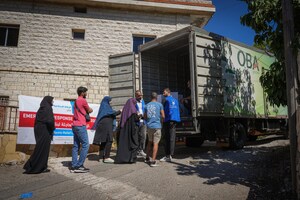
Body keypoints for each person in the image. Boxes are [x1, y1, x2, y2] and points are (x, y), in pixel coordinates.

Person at [23, 96, 55, 174]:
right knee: (42, 149)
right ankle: (35, 167)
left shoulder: (42, 108)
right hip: (45, 131)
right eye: (52, 100)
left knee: (41, 149)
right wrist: (53, 127)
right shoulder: (48, 108)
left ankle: (41, 166)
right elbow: (49, 121)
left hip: (39, 130)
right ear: (48, 101)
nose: (53, 102)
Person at [70, 86, 93, 173]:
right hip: (80, 124)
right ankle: (79, 165)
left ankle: (74, 165)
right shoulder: (83, 100)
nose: (86, 94)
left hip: (74, 124)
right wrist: (90, 109)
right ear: (82, 93)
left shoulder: (76, 101)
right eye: (86, 92)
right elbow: (89, 110)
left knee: (76, 146)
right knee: (85, 144)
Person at [92, 96, 121, 163]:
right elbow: (112, 113)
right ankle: (107, 157)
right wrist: (120, 111)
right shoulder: (105, 106)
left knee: (103, 141)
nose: (110, 102)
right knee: (109, 140)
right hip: (106, 125)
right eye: (109, 101)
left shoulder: (104, 105)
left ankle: (101, 157)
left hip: (103, 124)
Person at [115, 98, 140, 164]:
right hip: (131, 130)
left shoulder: (125, 109)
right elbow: (135, 120)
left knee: (124, 144)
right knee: (133, 143)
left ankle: (122, 158)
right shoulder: (133, 110)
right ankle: (131, 159)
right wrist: (139, 116)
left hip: (124, 130)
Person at [144, 92, 165, 167]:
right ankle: (153, 161)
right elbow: (163, 116)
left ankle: (147, 158)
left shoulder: (147, 105)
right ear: (156, 98)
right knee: (155, 143)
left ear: (151, 97)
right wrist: (161, 122)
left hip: (149, 126)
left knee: (149, 142)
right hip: (157, 126)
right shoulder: (159, 105)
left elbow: (145, 116)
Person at [160, 88, 180, 162]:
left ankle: (167, 155)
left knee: (166, 138)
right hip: (175, 120)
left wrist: (161, 119)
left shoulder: (165, 100)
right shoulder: (175, 100)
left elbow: (162, 111)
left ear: (168, 92)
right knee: (172, 137)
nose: (163, 94)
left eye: (164, 92)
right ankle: (171, 155)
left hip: (168, 120)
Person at [135, 90, 147, 157]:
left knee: (143, 136)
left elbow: (144, 109)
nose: (141, 97)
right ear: (136, 95)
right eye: (139, 95)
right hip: (137, 122)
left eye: (141, 95)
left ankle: (141, 150)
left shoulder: (143, 101)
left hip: (143, 121)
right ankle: (136, 151)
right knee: (137, 137)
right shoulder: (133, 102)